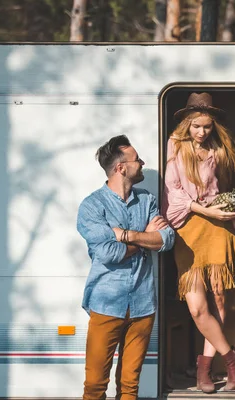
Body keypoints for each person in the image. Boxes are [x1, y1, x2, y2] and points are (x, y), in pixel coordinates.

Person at [77, 135, 175, 400]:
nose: (142, 163)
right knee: (96, 385)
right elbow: (108, 253)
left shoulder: (147, 201)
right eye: (137, 160)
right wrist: (146, 237)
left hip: (143, 306)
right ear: (121, 168)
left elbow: (167, 240)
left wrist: (128, 235)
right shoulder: (92, 206)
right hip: (107, 303)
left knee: (130, 387)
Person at [162, 92, 235, 394]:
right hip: (188, 227)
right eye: (197, 126)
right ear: (187, 124)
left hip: (217, 228)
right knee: (197, 308)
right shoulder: (174, 147)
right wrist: (205, 209)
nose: (202, 132)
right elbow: (173, 192)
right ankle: (232, 358)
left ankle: (205, 370)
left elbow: (220, 187)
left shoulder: (218, 150)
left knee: (219, 300)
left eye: (207, 126)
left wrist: (224, 208)